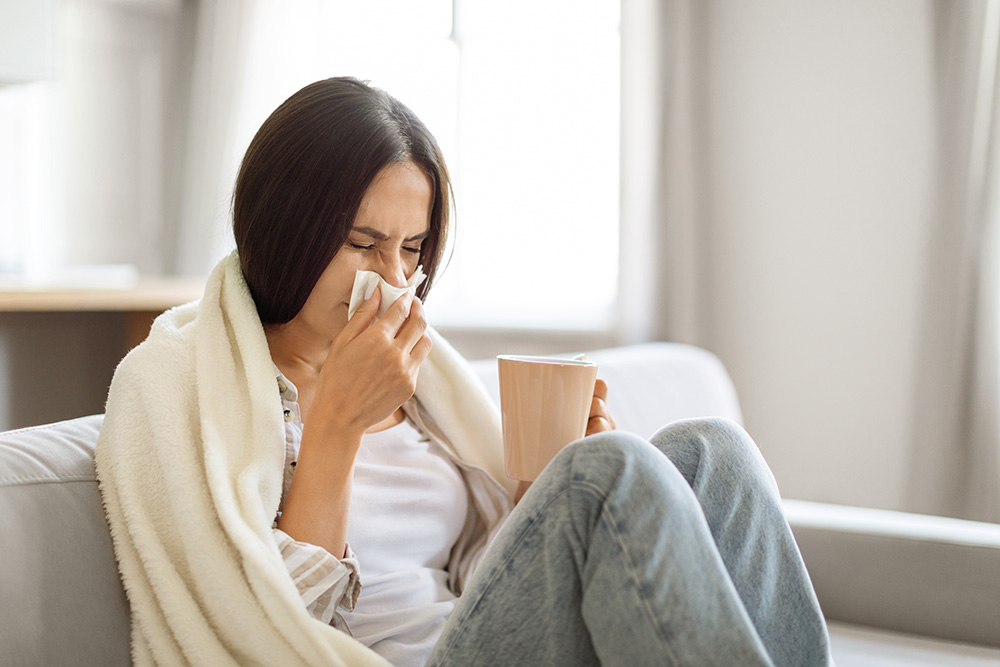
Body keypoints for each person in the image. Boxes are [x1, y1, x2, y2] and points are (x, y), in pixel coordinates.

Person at [96, 77, 833, 667]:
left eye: (412, 249)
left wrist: (538, 496)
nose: (392, 279)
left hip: (482, 638)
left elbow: (477, 585)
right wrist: (336, 428)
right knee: (605, 473)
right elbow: (262, 631)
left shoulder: (424, 387)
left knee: (713, 450)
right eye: (363, 242)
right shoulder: (183, 384)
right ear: (287, 225)